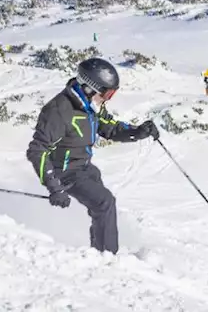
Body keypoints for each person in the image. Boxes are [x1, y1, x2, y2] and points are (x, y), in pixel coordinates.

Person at [26, 58, 159, 254]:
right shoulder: (59, 111)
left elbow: (110, 128)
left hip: (84, 167)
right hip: (64, 172)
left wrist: (138, 132)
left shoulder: (89, 107)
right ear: (89, 88)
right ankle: (107, 258)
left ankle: (100, 252)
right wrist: (54, 187)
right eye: (107, 93)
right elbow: (37, 150)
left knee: (103, 206)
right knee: (105, 202)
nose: (108, 98)